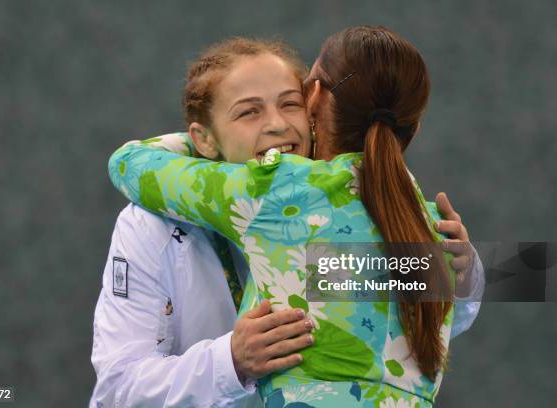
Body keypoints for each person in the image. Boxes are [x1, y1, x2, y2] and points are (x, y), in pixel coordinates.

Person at [98, 33, 484, 407]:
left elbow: (380, 301)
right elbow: (118, 390)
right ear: (204, 137)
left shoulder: (324, 206)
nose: (277, 125)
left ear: (314, 105)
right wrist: (228, 361)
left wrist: (468, 272)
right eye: (249, 111)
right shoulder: (150, 226)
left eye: (289, 104)